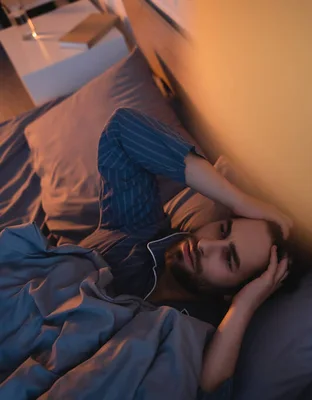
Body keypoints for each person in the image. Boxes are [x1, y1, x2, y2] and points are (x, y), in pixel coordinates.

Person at [78, 107, 295, 394]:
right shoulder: (136, 228)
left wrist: (244, 306)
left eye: (229, 258)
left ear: (234, 291)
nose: (205, 246)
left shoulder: (199, 333)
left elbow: (206, 390)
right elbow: (122, 129)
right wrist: (241, 201)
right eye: (222, 230)